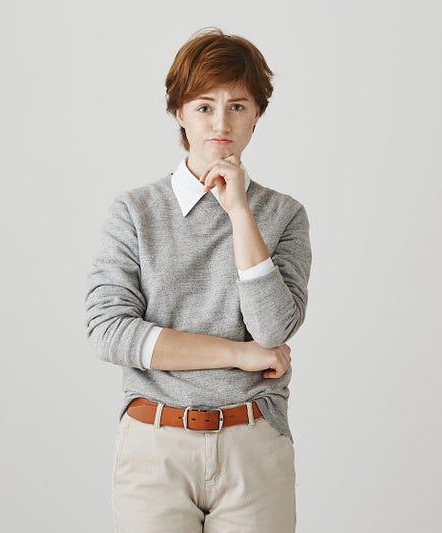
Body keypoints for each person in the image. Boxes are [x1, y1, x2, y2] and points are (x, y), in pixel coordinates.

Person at [85, 27, 312, 532]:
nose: (220, 124)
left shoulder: (284, 215)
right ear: (180, 114)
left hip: (253, 443)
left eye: (238, 106)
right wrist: (238, 354)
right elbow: (108, 332)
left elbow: (273, 330)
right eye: (204, 107)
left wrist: (239, 212)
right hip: (155, 444)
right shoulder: (135, 212)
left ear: (258, 115)